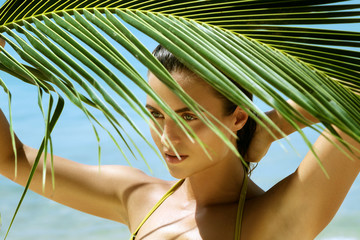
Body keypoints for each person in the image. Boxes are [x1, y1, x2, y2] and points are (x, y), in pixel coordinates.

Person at [0, 40, 359, 240]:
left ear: (237, 117)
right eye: (157, 114)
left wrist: (271, 126)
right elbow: (11, 160)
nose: (167, 137)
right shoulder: (138, 197)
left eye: (188, 117)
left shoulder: (274, 221)